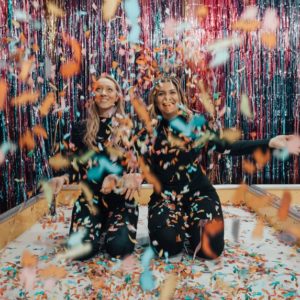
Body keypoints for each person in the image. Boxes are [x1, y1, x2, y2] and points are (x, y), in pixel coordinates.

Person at [135, 76, 299, 260]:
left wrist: (269, 142)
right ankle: (178, 223)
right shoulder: (146, 133)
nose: (167, 98)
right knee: (168, 247)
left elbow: (226, 147)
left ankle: (191, 224)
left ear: (180, 96)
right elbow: (141, 167)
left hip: (199, 192)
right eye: (161, 94)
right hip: (165, 196)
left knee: (209, 250)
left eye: (172, 92)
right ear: (154, 99)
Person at [50, 74, 142, 260]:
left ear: (117, 96)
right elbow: (75, 166)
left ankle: (110, 225)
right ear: (94, 94)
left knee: (119, 249)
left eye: (109, 89)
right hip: (90, 200)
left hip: (121, 201)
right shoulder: (80, 128)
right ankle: (97, 224)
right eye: (99, 89)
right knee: (81, 252)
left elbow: (140, 166)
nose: (103, 93)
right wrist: (63, 178)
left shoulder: (130, 127)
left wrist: (133, 176)